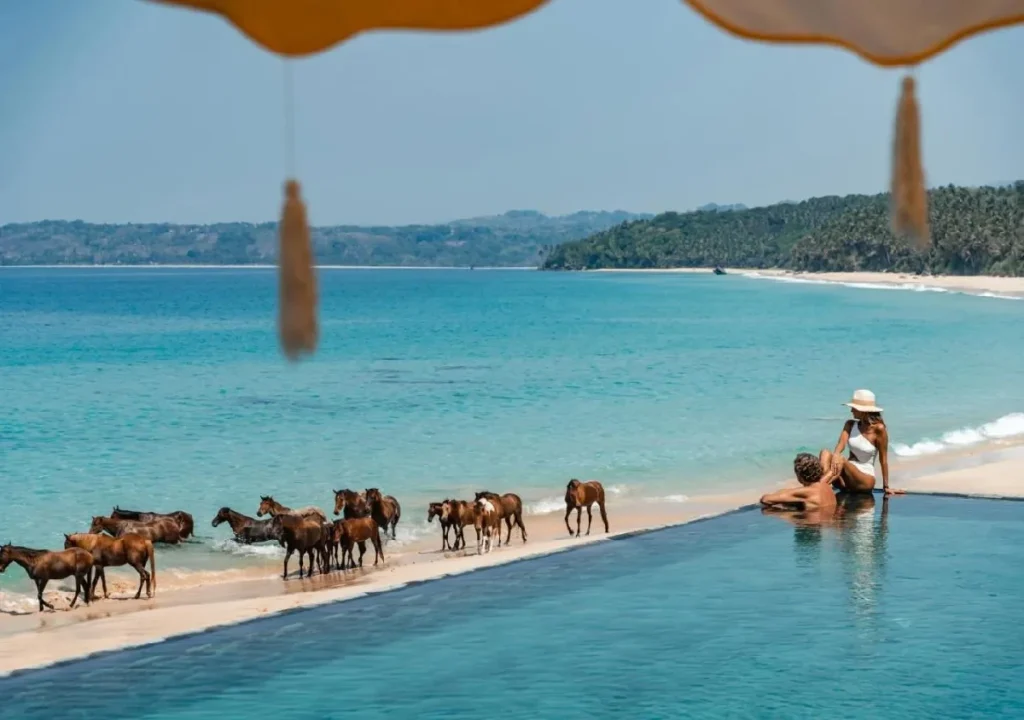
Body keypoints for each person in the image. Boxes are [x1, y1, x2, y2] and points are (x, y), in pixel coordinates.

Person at [821, 389, 901, 496]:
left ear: (863, 411)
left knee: (841, 459)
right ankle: (822, 485)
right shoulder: (850, 424)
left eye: (854, 408)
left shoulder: (879, 429)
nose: (851, 411)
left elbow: (883, 460)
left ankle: (818, 486)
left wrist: (886, 487)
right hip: (846, 480)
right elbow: (841, 444)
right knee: (825, 452)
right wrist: (835, 454)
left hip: (865, 479)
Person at [760, 452, 838, 514]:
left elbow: (765, 499)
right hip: (828, 519)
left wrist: (784, 492)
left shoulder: (808, 492)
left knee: (772, 512)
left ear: (799, 476)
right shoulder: (826, 486)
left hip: (812, 525)